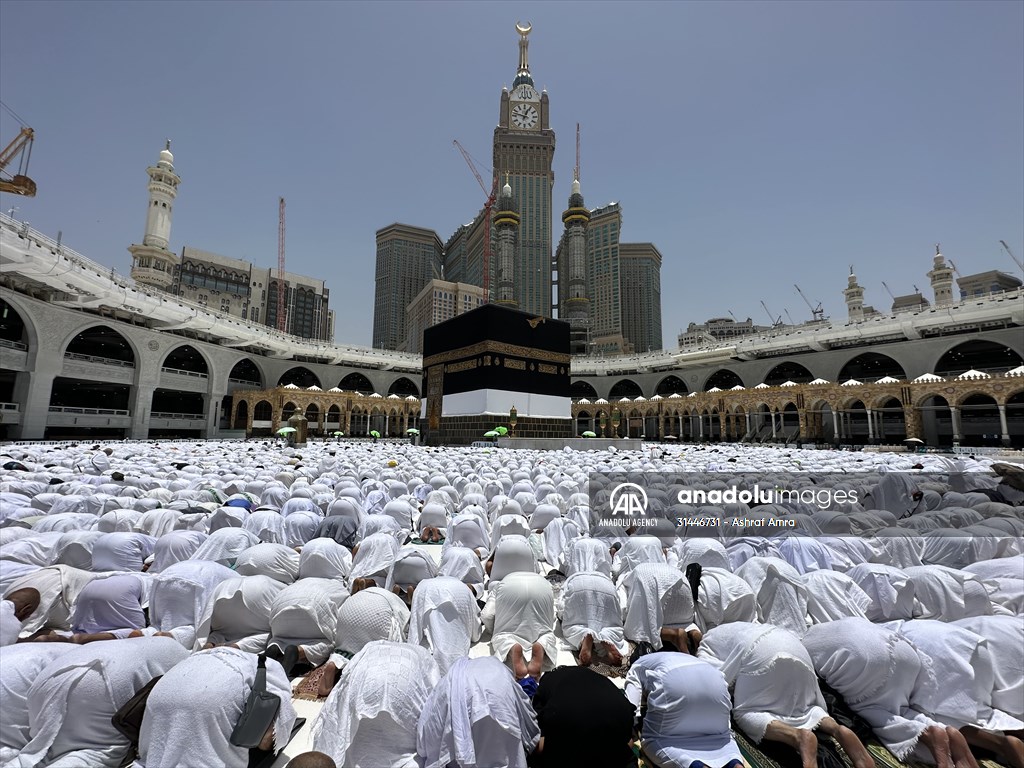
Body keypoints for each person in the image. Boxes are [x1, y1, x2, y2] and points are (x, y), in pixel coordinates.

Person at [803, 617, 979, 768]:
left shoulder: (802, 641)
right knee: (897, 708)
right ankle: (938, 728)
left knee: (872, 711)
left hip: (865, 657)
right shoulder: (831, 624)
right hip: (902, 648)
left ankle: (926, 733)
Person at [698, 621, 873, 768]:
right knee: (808, 705)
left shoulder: (706, 644)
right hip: (794, 647)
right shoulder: (742, 626)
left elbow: (713, 681)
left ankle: (797, 737)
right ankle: (836, 729)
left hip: (761, 654)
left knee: (745, 713)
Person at [11, 636, 188, 767]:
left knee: (41, 750)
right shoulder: (184, 658)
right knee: (94, 752)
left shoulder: (151, 644)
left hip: (48, 679)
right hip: (104, 682)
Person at [133, 646, 297, 768]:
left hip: (152, 760)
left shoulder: (182, 667)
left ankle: (278, 663)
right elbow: (266, 741)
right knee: (268, 718)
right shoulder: (249, 671)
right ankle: (283, 666)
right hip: (247, 673)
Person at [312, 641, 441, 767]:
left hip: (367, 684)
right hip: (403, 687)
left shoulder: (371, 650)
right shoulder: (422, 657)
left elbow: (337, 715)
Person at [624, 652, 746, 768]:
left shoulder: (637, 665)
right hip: (715, 681)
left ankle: (696, 765)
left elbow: (630, 707)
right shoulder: (678, 657)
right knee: (720, 737)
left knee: (655, 740)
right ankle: (734, 762)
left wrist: (630, 726)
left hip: (673, 681)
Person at [418, 656, 541, 768]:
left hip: (460, 760)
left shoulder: (451, 683)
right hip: (510, 753)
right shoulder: (498, 673)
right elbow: (528, 722)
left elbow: (426, 741)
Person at [531, 665, 637, 768]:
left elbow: (537, 725)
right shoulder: (593, 675)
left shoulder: (547, 680)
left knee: (535, 746)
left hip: (571, 724)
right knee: (622, 747)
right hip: (618, 713)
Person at [317, 586, 410, 696]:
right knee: (393, 645)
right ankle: (365, 670)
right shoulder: (397, 601)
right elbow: (405, 624)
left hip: (349, 610)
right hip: (377, 614)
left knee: (346, 647)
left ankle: (336, 662)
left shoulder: (370, 592)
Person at [267, 576, 349, 675]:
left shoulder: (299, 582)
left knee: (281, 638)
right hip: (311, 606)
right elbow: (344, 613)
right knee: (329, 644)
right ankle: (298, 652)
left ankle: (276, 646)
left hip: (281, 605)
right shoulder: (339, 587)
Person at [484, 571, 557, 681]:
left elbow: (487, 615)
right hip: (542, 586)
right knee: (545, 632)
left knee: (503, 635)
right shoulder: (546, 583)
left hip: (508, 588)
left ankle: (511, 646)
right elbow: (552, 617)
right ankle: (542, 644)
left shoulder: (500, 584)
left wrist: (493, 631)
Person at [408, 576, 482, 673]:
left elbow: (414, 634)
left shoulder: (423, 587)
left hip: (427, 590)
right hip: (459, 590)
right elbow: (475, 635)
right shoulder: (463, 588)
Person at [623, 563, 699, 654]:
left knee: (636, 628)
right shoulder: (656, 566)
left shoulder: (624, 581)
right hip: (682, 585)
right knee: (683, 623)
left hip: (659, 589)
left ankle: (673, 635)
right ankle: (694, 632)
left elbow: (623, 610)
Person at [559, 570, 626, 667]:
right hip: (606, 586)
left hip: (578, 585)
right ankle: (608, 637)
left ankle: (583, 635)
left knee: (571, 625)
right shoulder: (604, 574)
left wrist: (561, 616)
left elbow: (561, 605)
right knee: (611, 624)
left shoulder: (570, 579)